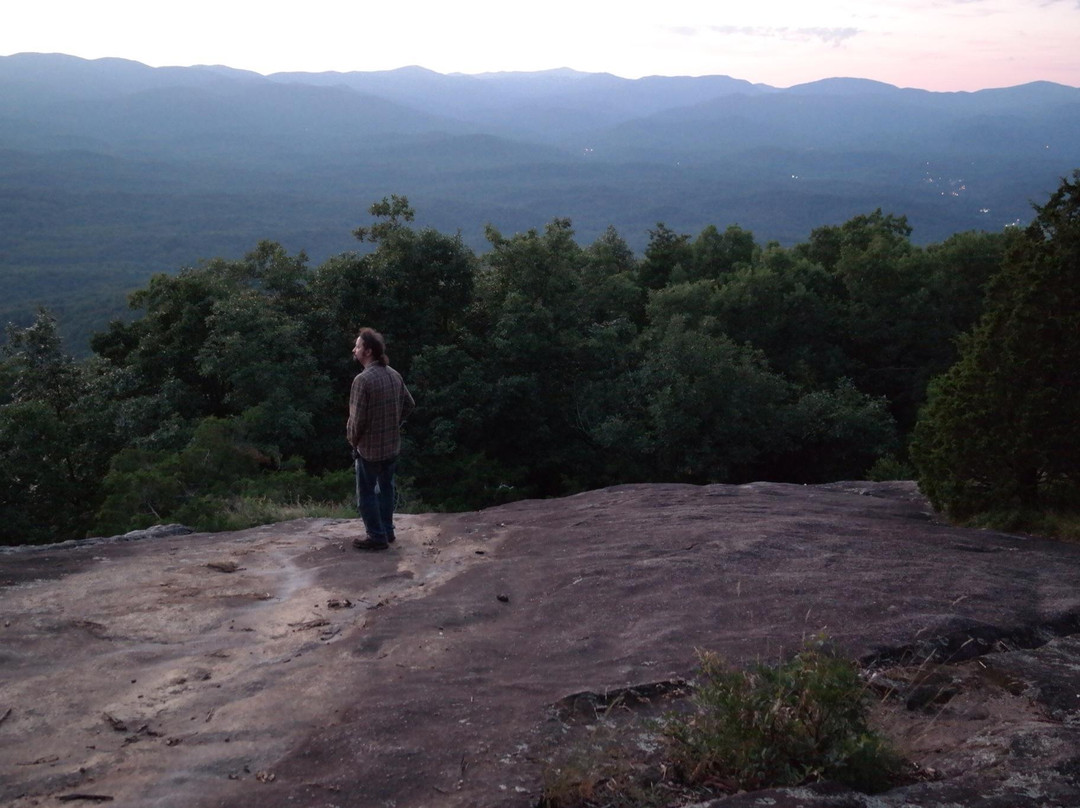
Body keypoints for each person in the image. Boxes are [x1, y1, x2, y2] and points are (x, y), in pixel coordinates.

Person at [346, 328, 415, 551]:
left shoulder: (362, 381)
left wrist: (353, 442)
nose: (354, 349)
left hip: (370, 449)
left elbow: (357, 422)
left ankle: (376, 536)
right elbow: (410, 404)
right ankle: (387, 531)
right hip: (391, 446)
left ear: (367, 351)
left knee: (366, 493)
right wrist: (394, 423)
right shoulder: (393, 375)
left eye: (357, 346)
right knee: (386, 489)